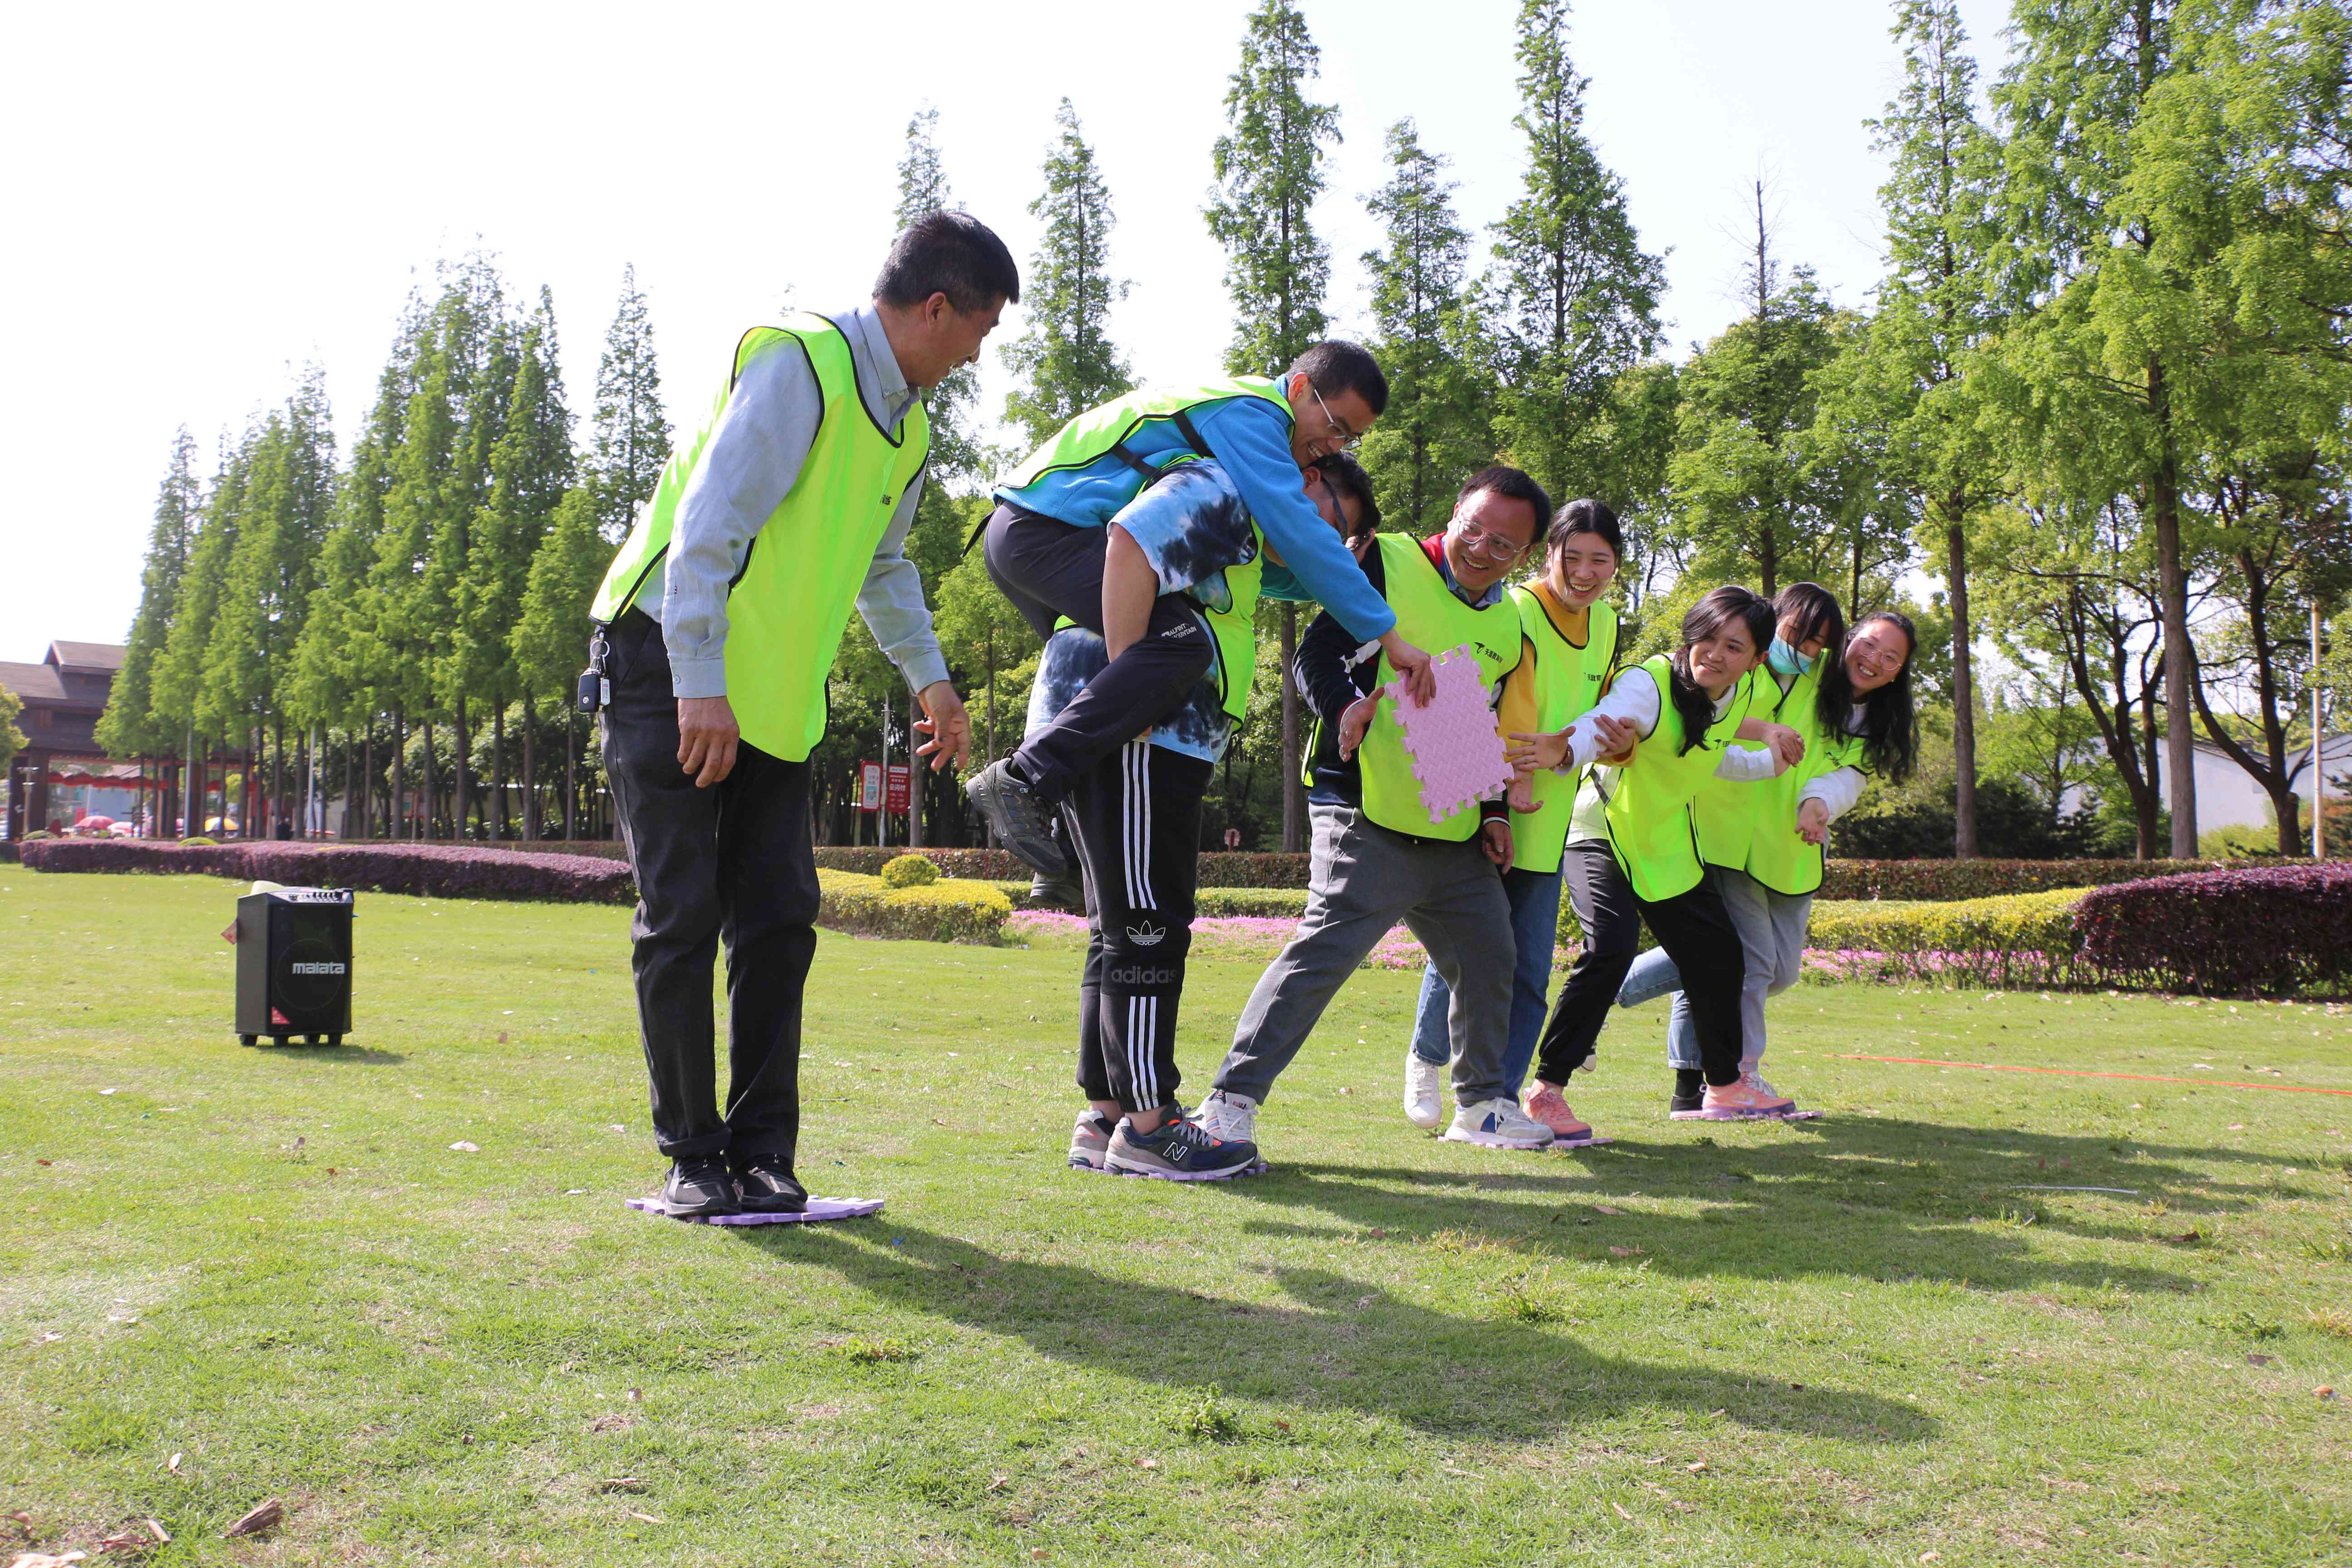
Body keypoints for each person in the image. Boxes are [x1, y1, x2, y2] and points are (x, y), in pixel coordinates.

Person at [587, 213, 1014, 1218]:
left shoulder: (906, 427)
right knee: (684, 917)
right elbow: (709, 524)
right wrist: (698, 681)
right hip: (669, 662)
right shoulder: (802, 363)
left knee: (780, 920)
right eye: (981, 330)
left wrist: (934, 681)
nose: (977, 353)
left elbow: (884, 566)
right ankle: (693, 1159)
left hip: (774, 697)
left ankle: (764, 1158)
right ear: (939, 307)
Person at [964, 342, 1437, 877]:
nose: (1333, 447)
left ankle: (1059, 857)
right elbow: (1294, 528)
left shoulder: (1251, 426)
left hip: (1035, 536)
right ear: (1300, 388)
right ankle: (1022, 780)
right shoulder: (1256, 413)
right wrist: (1388, 636)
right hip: (1046, 531)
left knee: (1106, 675)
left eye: (1349, 439)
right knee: (1183, 645)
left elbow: (1266, 564)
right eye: (1334, 426)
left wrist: (1338, 572)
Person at [1196, 467, 1558, 1156]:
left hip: (1451, 828)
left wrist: (1494, 816)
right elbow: (1316, 651)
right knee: (1322, 957)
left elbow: (1471, 717)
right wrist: (1345, 708)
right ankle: (1228, 1105)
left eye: (1503, 545)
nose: (1482, 549)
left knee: (1491, 961)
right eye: (1473, 529)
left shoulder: (1511, 623)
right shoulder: (1383, 559)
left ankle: (1482, 1105)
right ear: (1454, 513)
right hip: (1363, 807)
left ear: (1525, 555)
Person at [1052, 452, 1378, 1180]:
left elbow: (1320, 572)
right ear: (1305, 478)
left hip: (1166, 735)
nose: (1328, 532)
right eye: (1334, 515)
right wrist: (1128, 683)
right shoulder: (1218, 490)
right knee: (1147, 927)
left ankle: (1108, 1116)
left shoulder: (1248, 538)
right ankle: (1149, 1126)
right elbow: (1128, 540)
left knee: (1122, 928)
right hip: (1146, 732)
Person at [1614, 595, 1919, 1115]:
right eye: (1870, 643)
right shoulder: (1794, 668)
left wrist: (1818, 804)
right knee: (1748, 965)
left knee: (1769, 972)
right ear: (1850, 639)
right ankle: (1734, 1078)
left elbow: (1846, 776)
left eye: (1892, 658)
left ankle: (1610, 984)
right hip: (1727, 834)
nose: (1875, 659)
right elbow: (1720, 710)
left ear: (1898, 674)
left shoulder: (1875, 720)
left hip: (1790, 852)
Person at [1507, 586, 1797, 1128]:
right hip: (1602, 829)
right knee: (1611, 950)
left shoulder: (1737, 695)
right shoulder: (1650, 682)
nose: (1714, 654)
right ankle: (1547, 1089)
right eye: (1706, 638)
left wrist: (1769, 765)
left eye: (1734, 647)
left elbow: (1707, 756)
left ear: (1756, 660)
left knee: (1718, 953)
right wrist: (1568, 747)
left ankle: (1725, 1087)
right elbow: (1607, 722)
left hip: (1664, 841)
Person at [1401, 499, 1623, 1146]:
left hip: (1552, 820)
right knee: (1467, 951)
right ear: (1546, 554)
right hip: (1489, 803)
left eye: (1599, 560)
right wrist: (1510, 777)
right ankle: (1426, 1059)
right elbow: (1509, 693)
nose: (1584, 573)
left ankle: (1497, 1097)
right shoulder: (1519, 607)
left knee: (1527, 969)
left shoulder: (1606, 623)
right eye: (1571, 557)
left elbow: (1603, 716)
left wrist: (1595, 745)